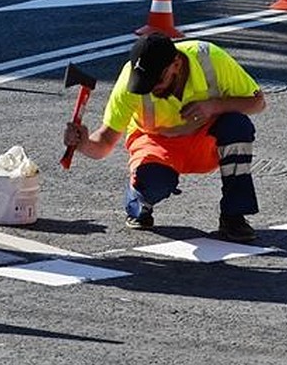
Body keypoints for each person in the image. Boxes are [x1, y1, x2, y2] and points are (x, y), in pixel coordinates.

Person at [63, 33, 267, 243]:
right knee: (155, 183)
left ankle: (233, 217)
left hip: (204, 140)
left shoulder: (209, 58)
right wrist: (83, 143)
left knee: (237, 125)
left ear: (176, 64)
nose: (150, 87)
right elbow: (105, 142)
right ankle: (138, 200)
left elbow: (258, 102)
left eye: (157, 80)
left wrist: (214, 106)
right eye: (145, 82)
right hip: (156, 144)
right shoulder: (130, 81)